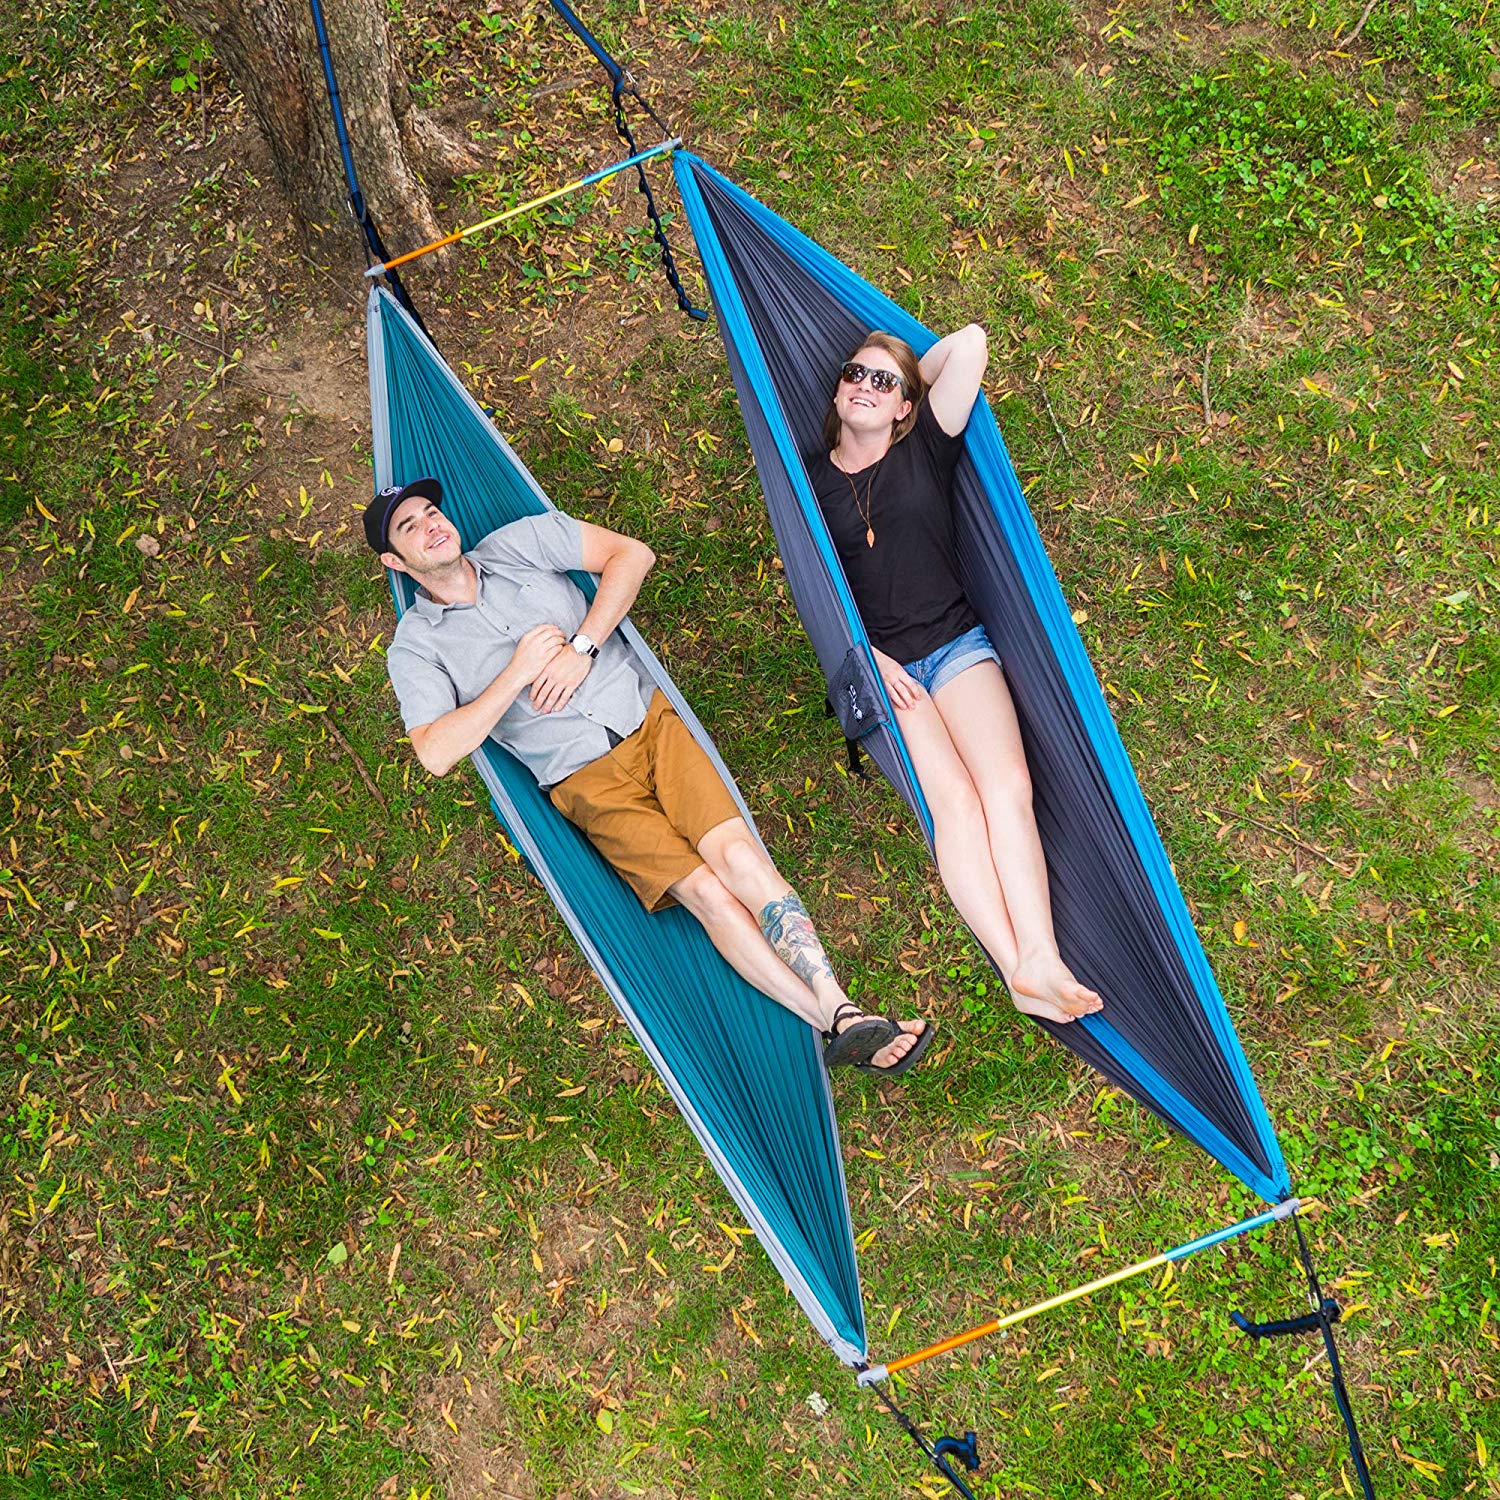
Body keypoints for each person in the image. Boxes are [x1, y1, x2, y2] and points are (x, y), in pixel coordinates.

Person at [367, 477, 933, 1074]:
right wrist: (518, 671)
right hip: (586, 781)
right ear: (394, 562)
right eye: (410, 527)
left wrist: (581, 648)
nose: (431, 525)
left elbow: (632, 555)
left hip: (648, 720)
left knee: (738, 858)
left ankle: (839, 1010)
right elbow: (435, 752)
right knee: (708, 896)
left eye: (431, 511)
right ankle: (839, 1020)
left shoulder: (518, 544)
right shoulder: (416, 647)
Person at [804, 327, 1103, 1026]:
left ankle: (1041, 955)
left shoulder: (925, 448)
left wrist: (907, 375)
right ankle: (1015, 966)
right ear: (837, 389)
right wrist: (870, 659)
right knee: (958, 807)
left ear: (907, 406)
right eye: (854, 374)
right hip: (885, 666)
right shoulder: (807, 483)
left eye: (884, 383)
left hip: (956, 645)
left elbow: (969, 345)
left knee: (1008, 788)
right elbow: (819, 593)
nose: (865, 386)